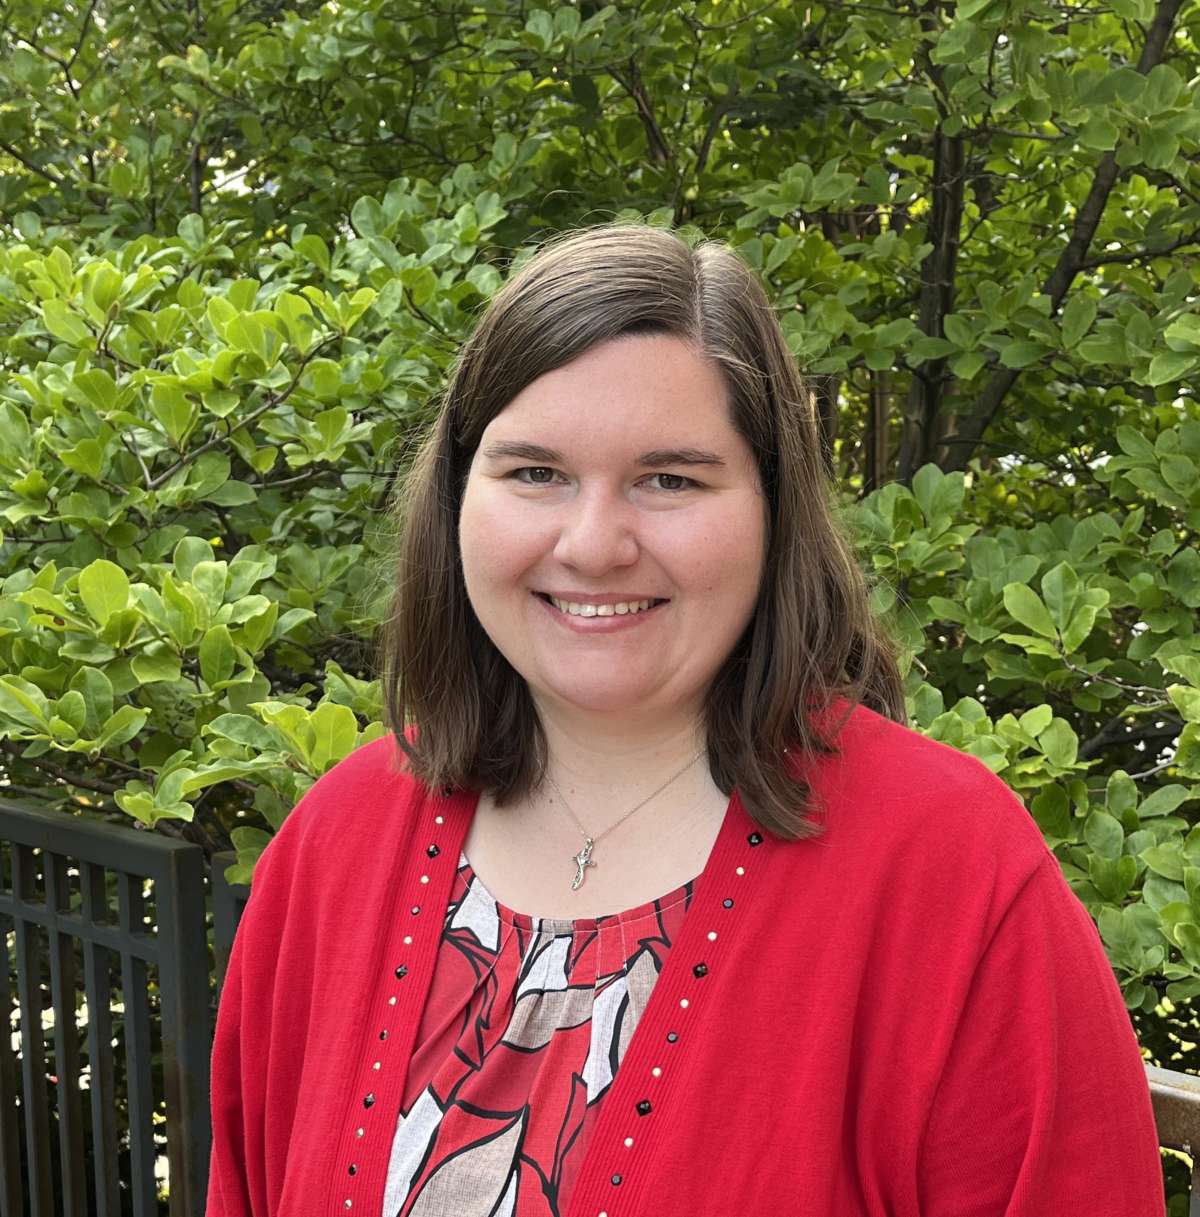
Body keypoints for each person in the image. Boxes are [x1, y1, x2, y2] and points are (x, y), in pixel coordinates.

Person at [206, 224, 1165, 1216]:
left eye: (670, 478)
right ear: (457, 497)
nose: (594, 543)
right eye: (534, 472)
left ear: (770, 506)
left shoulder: (953, 873)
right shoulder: (334, 846)